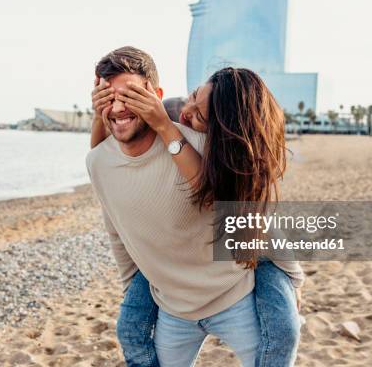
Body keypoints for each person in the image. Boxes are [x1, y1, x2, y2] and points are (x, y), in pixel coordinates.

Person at [87, 46, 303, 366]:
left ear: (153, 95)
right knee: (130, 329)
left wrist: (294, 275)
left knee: (284, 332)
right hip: (173, 308)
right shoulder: (104, 157)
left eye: (130, 95)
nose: (188, 112)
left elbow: (253, 214)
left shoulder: (207, 146)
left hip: (237, 289)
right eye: (108, 97)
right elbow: (117, 222)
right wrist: (132, 287)